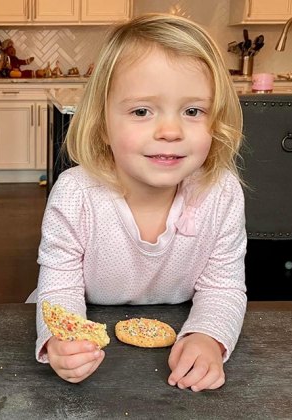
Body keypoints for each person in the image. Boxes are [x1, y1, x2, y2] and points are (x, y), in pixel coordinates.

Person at [29, 13, 247, 392]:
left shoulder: (221, 192)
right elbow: (60, 287)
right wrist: (57, 340)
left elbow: (223, 288)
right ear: (102, 125)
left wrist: (208, 336)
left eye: (192, 111)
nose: (170, 131)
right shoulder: (74, 193)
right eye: (142, 111)